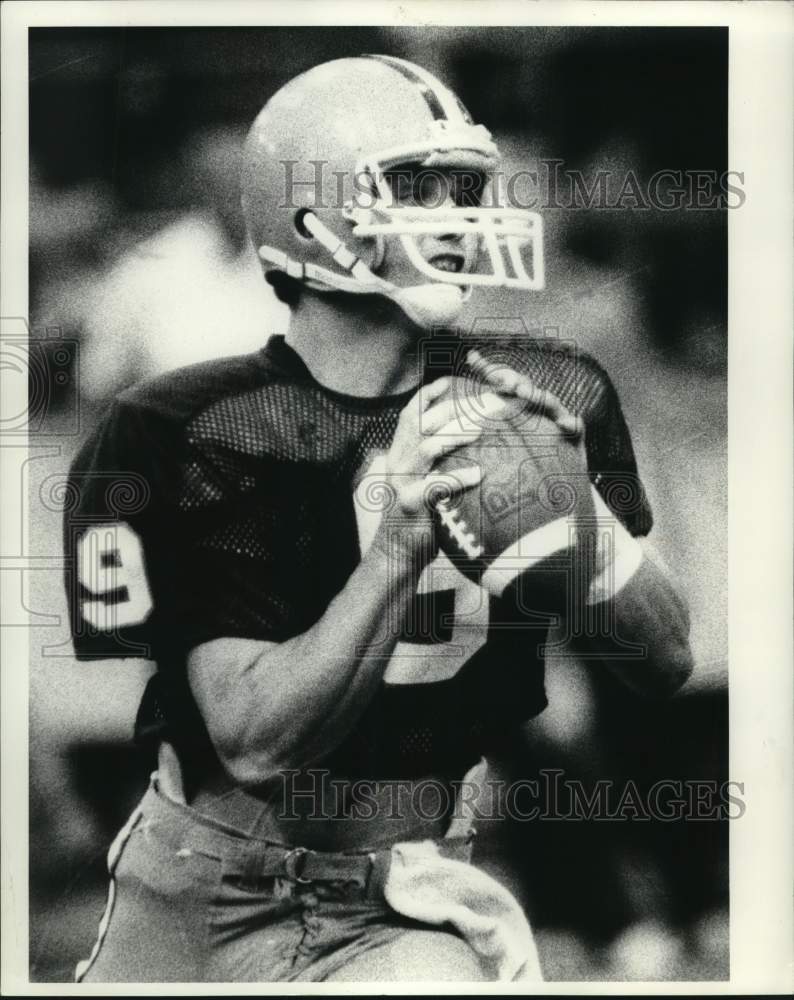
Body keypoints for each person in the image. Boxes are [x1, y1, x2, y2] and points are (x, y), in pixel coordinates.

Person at [64, 54, 693, 983]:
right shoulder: (189, 427)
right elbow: (254, 742)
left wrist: (581, 517)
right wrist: (398, 548)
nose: (456, 215)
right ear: (309, 214)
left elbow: (663, 661)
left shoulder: (543, 391)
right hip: (194, 890)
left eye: (462, 188)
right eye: (415, 186)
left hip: (398, 898)